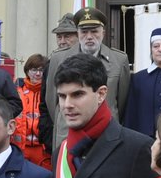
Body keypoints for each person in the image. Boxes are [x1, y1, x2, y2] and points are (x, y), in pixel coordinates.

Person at [43, 8, 131, 149]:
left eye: (94, 31)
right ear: (78, 33)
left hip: (105, 131)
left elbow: (121, 101)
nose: (89, 36)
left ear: (103, 32)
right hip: (68, 132)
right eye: (84, 31)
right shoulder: (58, 58)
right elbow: (52, 100)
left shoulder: (119, 60)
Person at [15, 53, 52, 168]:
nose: (37, 74)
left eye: (41, 70)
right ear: (27, 71)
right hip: (20, 148)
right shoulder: (16, 90)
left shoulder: (51, 92)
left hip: (43, 149)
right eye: (34, 70)